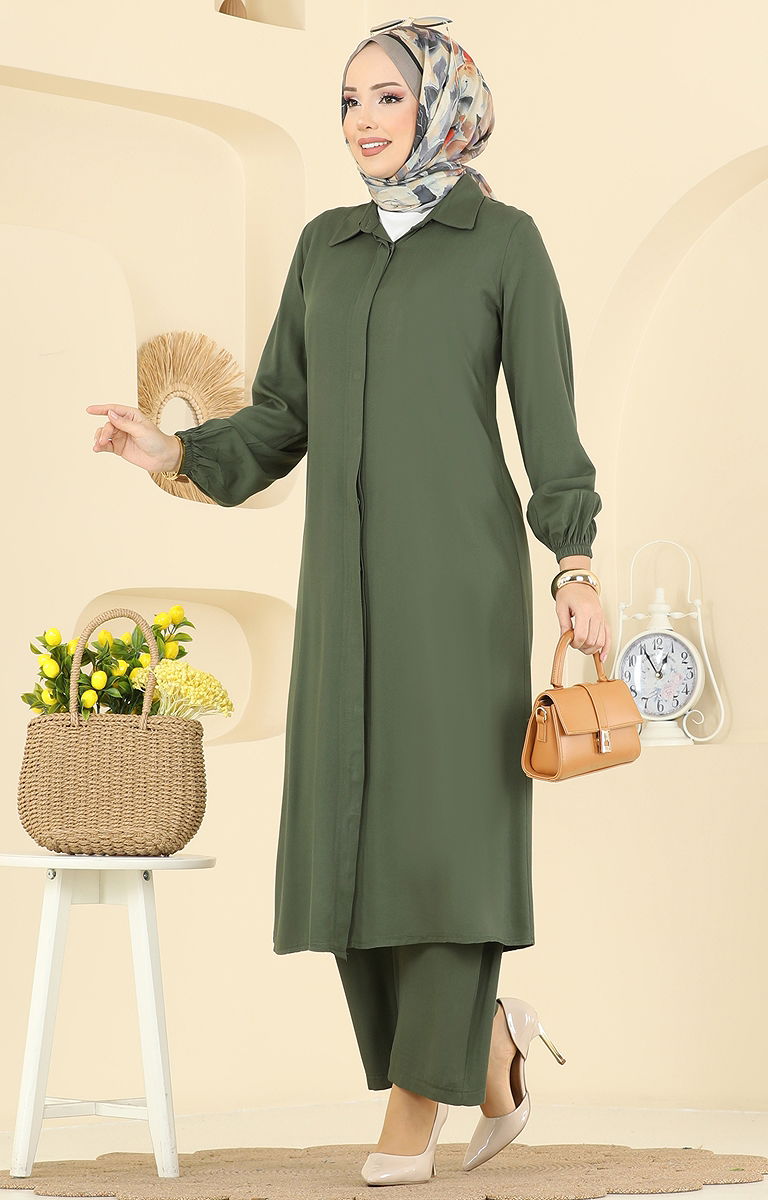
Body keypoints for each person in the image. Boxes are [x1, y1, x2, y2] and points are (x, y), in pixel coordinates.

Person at [87, 17, 609, 1187]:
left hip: (458, 588)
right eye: (347, 100)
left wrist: (573, 563)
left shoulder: (502, 243)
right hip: (342, 589)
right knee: (353, 834)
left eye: (386, 97)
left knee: (447, 837)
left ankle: (412, 1106)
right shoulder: (324, 246)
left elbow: (548, 421)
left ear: (440, 107)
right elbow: (281, 416)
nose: (362, 120)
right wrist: (171, 454)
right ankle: (487, 1047)